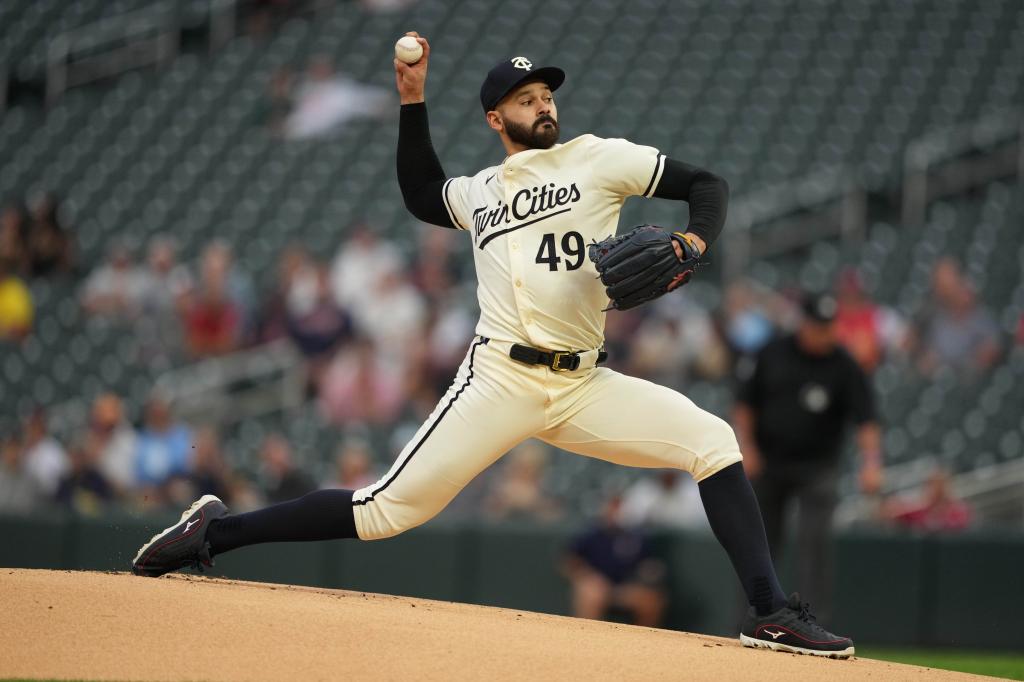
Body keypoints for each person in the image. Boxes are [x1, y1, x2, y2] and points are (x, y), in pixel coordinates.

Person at [131, 35, 854, 658]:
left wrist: (695, 240)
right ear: (495, 117)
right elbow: (421, 193)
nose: (543, 104)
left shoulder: (598, 158)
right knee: (386, 510)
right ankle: (214, 534)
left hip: (582, 385)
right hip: (499, 381)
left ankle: (769, 614)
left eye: (546, 93)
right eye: (526, 97)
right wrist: (412, 98)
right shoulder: (479, 192)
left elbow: (707, 183)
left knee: (712, 440)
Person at [733, 292, 883, 624]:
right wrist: (747, 448)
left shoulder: (844, 363)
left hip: (818, 467)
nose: (824, 334)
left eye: (829, 327)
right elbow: (744, 404)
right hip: (769, 462)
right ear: (804, 324)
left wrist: (871, 462)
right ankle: (750, 620)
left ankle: (812, 624)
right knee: (758, 546)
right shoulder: (772, 352)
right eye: (818, 326)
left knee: (815, 547)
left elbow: (867, 419)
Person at [564, 495, 667, 628]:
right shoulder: (591, 533)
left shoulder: (636, 535)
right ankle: (588, 636)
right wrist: (587, 576)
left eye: (620, 507)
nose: (618, 511)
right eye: (614, 506)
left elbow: (648, 564)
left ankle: (641, 641)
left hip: (625, 587)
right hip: (598, 586)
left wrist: (649, 573)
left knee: (651, 600)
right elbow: (570, 560)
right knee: (591, 594)